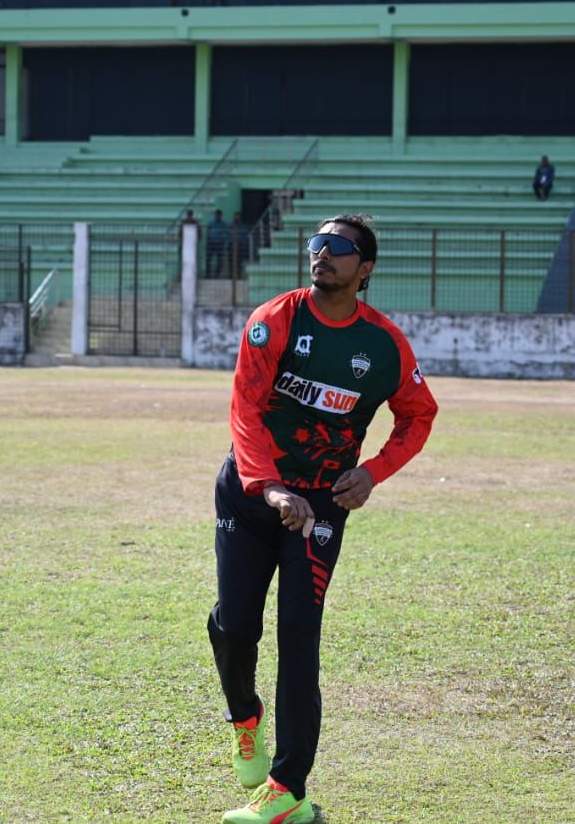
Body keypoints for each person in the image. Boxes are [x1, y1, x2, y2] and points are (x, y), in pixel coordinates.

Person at [208, 213, 438, 823]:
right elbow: (246, 410)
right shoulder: (274, 322)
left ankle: (289, 793)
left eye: (338, 247)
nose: (322, 254)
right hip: (252, 495)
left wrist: (373, 471)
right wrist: (272, 489)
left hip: (320, 512)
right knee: (234, 626)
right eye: (317, 244)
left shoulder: (384, 345)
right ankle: (245, 718)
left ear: (364, 270)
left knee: (299, 637)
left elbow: (419, 415)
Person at [207, 209, 229, 278]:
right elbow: (208, 232)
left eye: (218, 215)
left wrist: (224, 242)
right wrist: (208, 240)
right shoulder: (211, 223)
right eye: (216, 215)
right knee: (208, 259)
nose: (217, 216)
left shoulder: (224, 224)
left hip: (220, 244)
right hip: (211, 243)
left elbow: (226, 234)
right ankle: (208, 275)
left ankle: (217, 275)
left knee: (220, 261)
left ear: (221, 216)